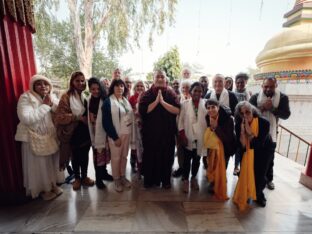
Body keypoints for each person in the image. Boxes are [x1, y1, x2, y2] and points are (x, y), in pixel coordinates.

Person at [15, 74, 64, 200]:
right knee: (39, 166)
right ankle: (43, 190)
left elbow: (60, 110)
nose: (43, 86)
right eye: (39, 84)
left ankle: (52, 185)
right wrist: (45, 106)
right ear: (33, 86)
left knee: (51, 163)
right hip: (33, 138)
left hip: (49, 136)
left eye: (45, 83)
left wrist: (51, 104)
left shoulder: (51, 96)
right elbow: (26, 118)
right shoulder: (26, 97)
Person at [139, 70, 180, 188]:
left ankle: (166, 181)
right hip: (150, 135)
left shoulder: (171, 94)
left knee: (167, 158)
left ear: (166, 79)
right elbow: (143, 111)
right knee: (150, 157)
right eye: (158, 77)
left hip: (167, 134)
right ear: (153, 79)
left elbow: (177, 110)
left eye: (162, 77)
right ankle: (150, 181)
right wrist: (156, 101)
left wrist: (162, 102)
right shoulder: (146, 94)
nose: (160, 79)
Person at [55, 71, 94, 191]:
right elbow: (59, 117)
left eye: (82, 81)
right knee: (76, 156)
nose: (80, 83)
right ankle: (77, 178)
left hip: (85, 131)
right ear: (72, 82)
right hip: (73, 131)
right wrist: (77, 117)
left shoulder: (84, 95)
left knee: (85, 155)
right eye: (77, 81)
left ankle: (84, 177)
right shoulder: (66, 96)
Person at [249, 77, 290, 190]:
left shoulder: (282, 98)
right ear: (262, 86)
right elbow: (248, 112)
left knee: (270, 158)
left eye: (271, 86)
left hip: (271, 133)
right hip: (256, 133)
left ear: (276, 86)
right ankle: (254, 179)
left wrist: (272, 108)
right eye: (266, 86)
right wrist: (262, 107)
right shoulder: (255, 97)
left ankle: (269, 180)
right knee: (256, 157)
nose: (268, 89)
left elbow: (286, 115)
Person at [233, 101, 274, 209]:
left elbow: (258, 144)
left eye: (247, 112)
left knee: (260, 175)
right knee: (245, 171)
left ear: (253, 111)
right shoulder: (238, 125)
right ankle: (247, 191)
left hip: (264, 150)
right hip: (247, 150)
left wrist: (249, 130)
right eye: (242, 113)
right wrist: (242, 131)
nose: (245, 115)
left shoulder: (264, 123)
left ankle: (259, 195)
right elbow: (241, 146)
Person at [102, 79, 134, 192]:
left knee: (124, 157)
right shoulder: (108, 102)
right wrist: (115, 137)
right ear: (112, 88)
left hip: (127, 133)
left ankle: (122, 176)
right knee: (116, 158)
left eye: (121, 86)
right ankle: (116, 179)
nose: (119, 88)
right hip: (116, 135)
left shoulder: (125, 100)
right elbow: (106, 122)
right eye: (117, 86)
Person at [203, 99, 236, 200]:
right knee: (211, 164)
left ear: (218, 107)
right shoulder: (207, 117)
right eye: (208, 108)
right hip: (213, 146)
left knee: (221, 165)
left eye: (213, 107)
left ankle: (219, 182)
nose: (211, 110)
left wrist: (216, 127)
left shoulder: (228, 118)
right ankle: (214, 181)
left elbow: (228, 138)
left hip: (226, 147)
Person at [178, 82, 207, 193]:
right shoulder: (184, 104)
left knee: (197, 159)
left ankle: (193, 178)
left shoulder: (205, 104)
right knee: (186, 160)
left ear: (202, 93)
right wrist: (182, 136)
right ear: (191, 91)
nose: (197, 93)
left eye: (200, 91)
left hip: (200, 137)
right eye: (195, 90)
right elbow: (180, 122)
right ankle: (185, 179)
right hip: (188, 136)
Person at [87, 77, 113, 189]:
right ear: (90, 89)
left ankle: (104, 173)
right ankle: (98, 179)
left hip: (105, 131)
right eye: (93, 89)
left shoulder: (105, 98)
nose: (96, 91)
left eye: (97, 88)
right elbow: (90, 117)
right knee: (98, 156)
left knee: (105, 154)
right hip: (95, 132)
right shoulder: (89, 100)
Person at [233, 72, 251, 176]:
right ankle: (236, 166)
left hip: (244, 123)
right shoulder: (232, 93)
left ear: (246, 82)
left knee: (242, 145)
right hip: (235, 123)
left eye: (242, 83)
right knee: (236, 145)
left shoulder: (248, 95)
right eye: (238, 83)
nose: (240, 85)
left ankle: (241, 166)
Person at [129, 80, 146, 174]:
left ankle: (142, 166)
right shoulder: (131, 98)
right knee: (135, 146)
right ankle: (133, 165)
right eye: (138, 86)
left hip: (145, 125)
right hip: (135, 125)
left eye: (141, 86)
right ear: (134, 88)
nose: (140, 88)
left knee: (143, 146)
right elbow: (128, 111)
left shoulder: (147, 97)